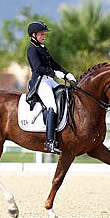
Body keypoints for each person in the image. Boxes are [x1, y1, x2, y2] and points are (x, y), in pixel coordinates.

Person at [26, 20, 76, 154]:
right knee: (52, 106)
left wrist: (66, 74)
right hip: (40, 81)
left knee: (67, 93)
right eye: (42, 34)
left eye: (44, 34)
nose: (44, 36)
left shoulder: (42, 48)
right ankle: (49, 142)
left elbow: (54, 64)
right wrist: (55, 73)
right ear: (33, 35)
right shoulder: (32, 49)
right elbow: (38, 68)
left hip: (49, 80)